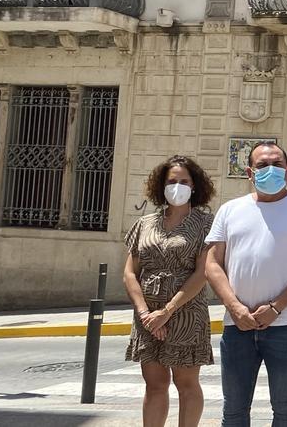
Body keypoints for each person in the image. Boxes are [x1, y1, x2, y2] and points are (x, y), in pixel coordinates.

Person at [205, 142, 287, 427]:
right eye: (262, 165)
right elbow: (212, 264)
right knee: (234, 408)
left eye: (276, 164)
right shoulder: (229, 210)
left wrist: (276, 308)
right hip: (238, 325)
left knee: (285, 408)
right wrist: (235, 308)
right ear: (249, 172)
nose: (270, 169)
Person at [123, 155, 217, 427]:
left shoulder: (205, 225)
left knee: (186, 384)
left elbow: (203, 273)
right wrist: (145, 314)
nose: (177, 186)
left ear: (195, 186)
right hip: (147, 316)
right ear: (161, 186)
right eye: (171, 181)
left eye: (184, 181)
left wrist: (167, 311)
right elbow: (130, 272)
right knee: (154, 384)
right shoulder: (145, 224)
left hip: (186, 313)